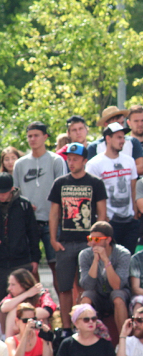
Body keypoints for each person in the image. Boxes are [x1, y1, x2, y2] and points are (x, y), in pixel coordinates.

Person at [48, 143, 107, 335]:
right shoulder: (60, 183)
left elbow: (102, 214)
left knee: (86, 287)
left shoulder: (96, 183)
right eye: (68, 159)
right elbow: (54, 213)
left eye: (74, 159)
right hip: (64, 243)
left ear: (84, 160)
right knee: (64, 288)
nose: (70, 162)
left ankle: (84, 326)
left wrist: (97, 241)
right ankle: (66, 329)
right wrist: (53, 239)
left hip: (87, 242)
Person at [12, 122, 66, 284]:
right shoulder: (20, 164)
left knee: (56, 266)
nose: (33, 139)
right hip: (28, 223)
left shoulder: (56, 160)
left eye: (36, 135)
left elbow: (62, 191)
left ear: (45, 137)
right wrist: (26, 204)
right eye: (29, 136)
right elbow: (15, 192)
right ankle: (34, 307)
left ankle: (63, 309)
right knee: (30, 269)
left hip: (52, 221)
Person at [85, 122, 139, 254]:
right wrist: (101, 218)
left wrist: (135, 214)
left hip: (130, 220)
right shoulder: (94, 164)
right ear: (108, 139)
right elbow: (91, 195)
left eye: (123, 138)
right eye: (119, 137)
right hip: (109, 221)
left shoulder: (129, 160)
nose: (122, 141)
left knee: (129, 258)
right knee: (109, 257)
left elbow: (133, 189)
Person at [78, 221, 131, 334]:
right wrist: (95, 261)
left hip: (117, 293)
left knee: (118, 297)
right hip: (97, 293)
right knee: (86, 298)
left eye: (97, 239)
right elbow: (87, 286)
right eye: (90, 238)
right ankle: (84, 337)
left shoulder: (123, 254)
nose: (92, 243)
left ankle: (124, 339)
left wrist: (106, 261)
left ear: (108, 240)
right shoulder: (85, 255)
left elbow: (117, 286)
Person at [0, 173, 40, 301]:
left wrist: (35, 258)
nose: (1, 195)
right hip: (1, 260)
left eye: (4, 192)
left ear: (12, 189)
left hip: (21, 259)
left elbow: (33, 233)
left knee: (23, 298)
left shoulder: (23, 205)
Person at [87, 106, 143, 176]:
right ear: (106, 124)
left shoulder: (133, 142)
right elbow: (90, 173)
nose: (120, 127)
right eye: (117, 123)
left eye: (122, 123)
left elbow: (141, 168)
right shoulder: (94, 147)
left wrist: (112, 173)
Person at [0, 269, 56, 340]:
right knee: (13, 311)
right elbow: (3, 308)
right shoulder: (12, 296)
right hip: (16, 334)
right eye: (9, 284)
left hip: (36, 331)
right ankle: (9, 344)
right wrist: (27, 294)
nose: (9, 288)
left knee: (18, 311)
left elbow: (48, 310)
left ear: (24, 285)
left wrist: (24, 315)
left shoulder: (40, 294)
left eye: (13, 284)